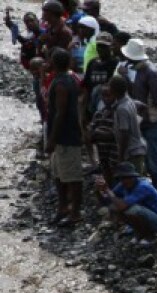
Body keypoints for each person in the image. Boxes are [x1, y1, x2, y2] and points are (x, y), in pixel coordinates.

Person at [120, 39, 157, 198]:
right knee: (144, 165)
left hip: (152, 125)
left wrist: (150, 112)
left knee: (155, 167)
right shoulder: (135, 70)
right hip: (140, 124)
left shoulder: (152, 74)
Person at [46, 48, 83, 226]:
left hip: (66, 136)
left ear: (53, 63)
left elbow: (60, 113)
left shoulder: (62, 83)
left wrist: (52, 139)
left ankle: (74, 212)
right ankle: (63, 208)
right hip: (62, 135)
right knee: (59, 173)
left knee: (72, 176)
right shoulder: (67, 79)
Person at [95, 161, 157, 242]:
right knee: (114, 207)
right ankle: (140, 233)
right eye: (123, 178)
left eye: (129, 177)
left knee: (132, 210)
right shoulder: (123, 184)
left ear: (134, 177)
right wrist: (99, 190)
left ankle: (149, 236)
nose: (126, 180)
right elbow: (107, 200)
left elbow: (122, 205)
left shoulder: (143, 186)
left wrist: (107, 190)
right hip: (150, 217)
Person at [106, 75, 146, 174]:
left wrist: (120, 156)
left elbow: (125, 133)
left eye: (109, 87)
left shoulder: (122, 108)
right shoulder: (128, 101)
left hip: (131, 152)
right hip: (138, 148)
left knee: (132, 183)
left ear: (113, 90)